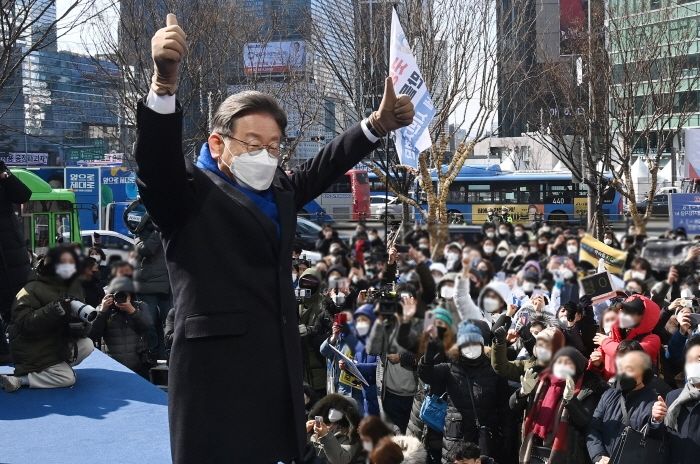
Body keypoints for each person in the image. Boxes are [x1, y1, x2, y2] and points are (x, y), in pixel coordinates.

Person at [136, 14, 414, 463]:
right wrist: (164, 85)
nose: (263, 154)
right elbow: (154, 165)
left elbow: (323, 165)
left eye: (272, 145)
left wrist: (375, 126)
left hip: (275, 367)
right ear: (218, 141)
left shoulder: (279, 189)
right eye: (250, 142)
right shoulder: (186, 194)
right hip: (215, 374)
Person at [0, 246, 94, 392]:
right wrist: (54, 310)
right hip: (32, 349)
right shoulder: (31, 289)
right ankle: (21, 380)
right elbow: (24, 324)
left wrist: (80, 326)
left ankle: (56, 368)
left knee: (87, 344)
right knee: (68, 379)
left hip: (54, 344)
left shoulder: (74, 286)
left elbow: (82, 326)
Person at [418, 322, 510, 463]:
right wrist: (428, 356)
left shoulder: (493, 370)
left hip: (485, 438)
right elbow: (426, 375)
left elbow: (504, 405)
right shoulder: (449, 368)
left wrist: (505, 435)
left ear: (481, 345)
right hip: (456, 437)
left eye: (474, 343)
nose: (471, 348)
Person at [511, 346, 608, 464]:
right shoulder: (541, 380)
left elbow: (585, 422)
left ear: (577, 367)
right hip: (533, 449)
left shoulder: (587, 388)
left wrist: (571, 400)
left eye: (568, 364)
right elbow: (513, 407)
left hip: (566, 454)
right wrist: (522, 393)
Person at [586, 350, 666, 464]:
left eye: (630, 369)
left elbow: (654, 441)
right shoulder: (608, 395)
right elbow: (593, 428)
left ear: (644, 373)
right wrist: (598, 455)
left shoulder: (653, 402)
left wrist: (656, 421)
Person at [89, 276, 154, 378]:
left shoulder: (140, 306)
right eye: (118, 295)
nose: (121, 298)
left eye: (124, 294)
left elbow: (147, 327)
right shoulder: (104, 310)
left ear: (130, 295)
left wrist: (132, 311)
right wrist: (102, 312)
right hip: (114, 366)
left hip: (139, 365)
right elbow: (92, 334)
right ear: (111, 296)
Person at [0, 162, 32, 364]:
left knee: (18, 308)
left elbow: (23, 195)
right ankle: (4, 353)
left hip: (12, 257)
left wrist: (5, 175)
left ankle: (26, 353)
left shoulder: (3, 176)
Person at [132, 211, 171, 359]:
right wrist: (157, 232)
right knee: (151, 323)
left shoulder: (165, 233)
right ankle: (153, 353)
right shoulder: (140, 238)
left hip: (165, 286)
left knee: (166, 323)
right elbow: (146, 250)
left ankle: (165, 353)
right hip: (148, 286)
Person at [594, 295, 661, 380]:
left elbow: (629, 354)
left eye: (631, 313)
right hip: (609, 384)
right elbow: (606, 353)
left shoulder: (652, 340)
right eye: (623, 309)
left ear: (645, 317)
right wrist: (598, 361)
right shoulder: (615, 329)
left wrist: (605, 342)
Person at [664, 335, 700, 463]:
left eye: (699, 360)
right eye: (690, 360)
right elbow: (663, 439)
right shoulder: (673, 397)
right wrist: (655, 421)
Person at [307, 393, 362, 464]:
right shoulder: (315, 431)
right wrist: (304, 432)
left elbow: (341, 459)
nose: (330, 426)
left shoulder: (350, 438)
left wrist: (325, 436)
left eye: (336, 423)